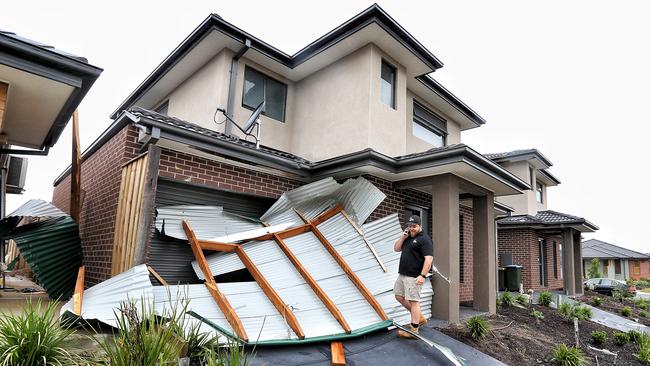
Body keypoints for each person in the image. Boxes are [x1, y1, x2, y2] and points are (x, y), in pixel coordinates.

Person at [393, 215, 433, 338]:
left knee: (414, 302)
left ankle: (414, 330)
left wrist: (422, 275)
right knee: (399, 296)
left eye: (414, 226)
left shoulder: (425, 240)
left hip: (414, 276)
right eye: (410, 226)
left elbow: (429, 259)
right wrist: (403, 237)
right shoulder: (408, 236)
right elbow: (396, 249)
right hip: (403, 274)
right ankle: (418, 317)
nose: (411, 228)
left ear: (419, 226)